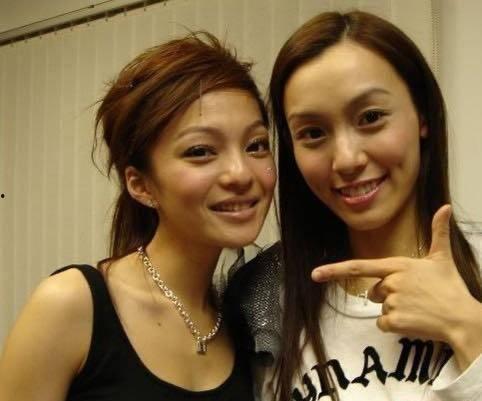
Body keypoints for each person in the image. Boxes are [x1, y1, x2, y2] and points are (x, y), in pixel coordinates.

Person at [0, 32, 276, 401]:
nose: (241, 173)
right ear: (140, 184)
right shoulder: (69, 304)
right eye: (200, 151)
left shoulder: (246, 320)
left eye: (256, 145)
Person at [225, 10, 482, 401]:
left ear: (422, 115)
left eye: (371, 117)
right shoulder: (264, 296)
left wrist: (468, 325)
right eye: (313, 133)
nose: (346, 159)